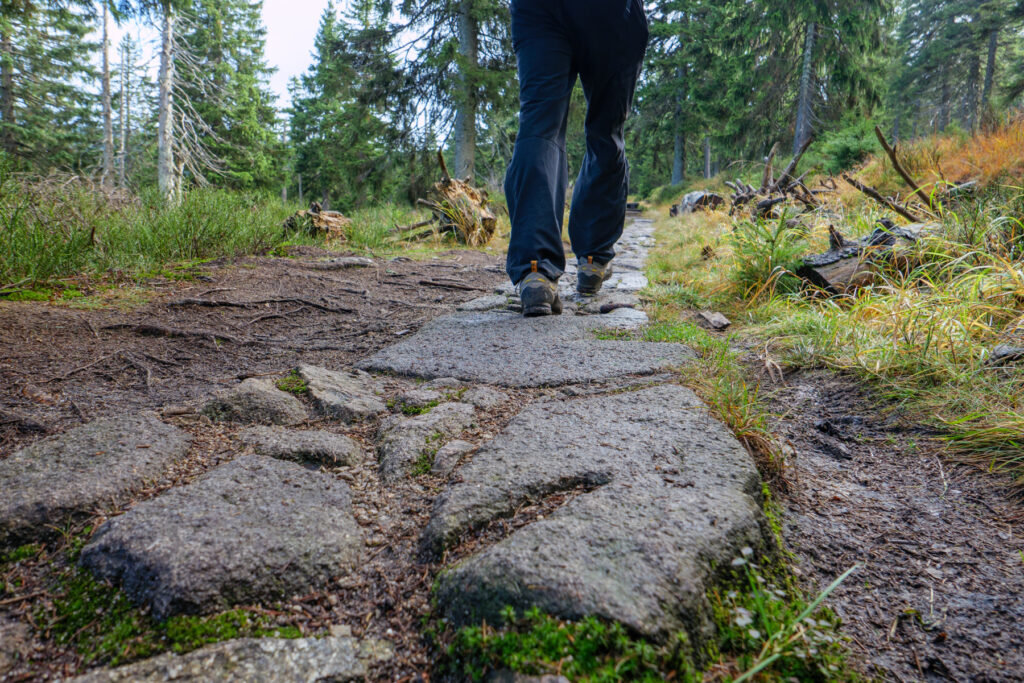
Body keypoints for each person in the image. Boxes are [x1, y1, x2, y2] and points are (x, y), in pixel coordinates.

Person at [504, 0, 649, 317]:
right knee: (605, 132)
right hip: (612, 13)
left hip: (537, 10)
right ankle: (593, 260)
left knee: (539, 127)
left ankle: (535, 271)